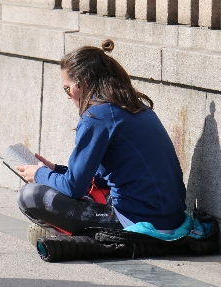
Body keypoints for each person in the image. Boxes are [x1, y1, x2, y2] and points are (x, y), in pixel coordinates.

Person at [15, 39, 186, 239]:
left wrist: (40, 175)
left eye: (67, 88)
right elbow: (107, 177)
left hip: (141, 221)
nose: (68, 96)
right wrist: (55, 170)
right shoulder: (135, 107)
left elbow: (73, 187)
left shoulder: (97, 116)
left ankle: (65, 236)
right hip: (172, 218)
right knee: (86, 191)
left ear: (83, 84)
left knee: (30, 196)